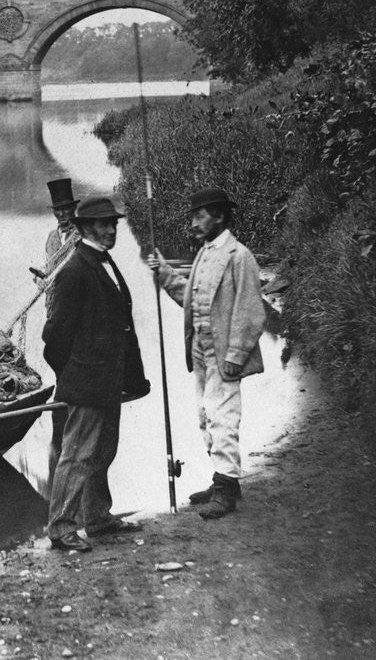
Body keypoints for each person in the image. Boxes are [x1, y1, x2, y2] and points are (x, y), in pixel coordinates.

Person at [147, 187, 265, 519]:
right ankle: (222, 480)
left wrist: (236, 354)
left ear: (220, 217)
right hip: (200, 353)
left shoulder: (239, 256)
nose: (193, 223)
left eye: (200, 216)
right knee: (204, 416)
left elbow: (251, 311)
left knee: (222, 417)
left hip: (224, 354)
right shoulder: (204, 253)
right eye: (193, 217)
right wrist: (165, 275)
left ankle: (226, 489)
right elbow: (191, 299)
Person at [43, 197, 150, 552]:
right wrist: (74, 375)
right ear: (84, 229)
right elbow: (54, 335)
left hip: (110, 378)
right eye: (103, 225)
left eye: (114, 224)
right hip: (88, 381)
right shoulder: (74, 270)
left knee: (103, 451)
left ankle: (98, 518)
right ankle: (60, 527)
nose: (110, 230)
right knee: (76, 455)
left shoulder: (104, 262)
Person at [40, 178, 82, 494]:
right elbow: (50, 271)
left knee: (73, 366)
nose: (62, 217)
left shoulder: (82, 239)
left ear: (75, 210)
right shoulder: (52, 238)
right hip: (54, 311)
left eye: (67, 210)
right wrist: (43, 282)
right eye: (58, 211)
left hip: (76, 314)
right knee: (58, 361)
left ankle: (69, 415)